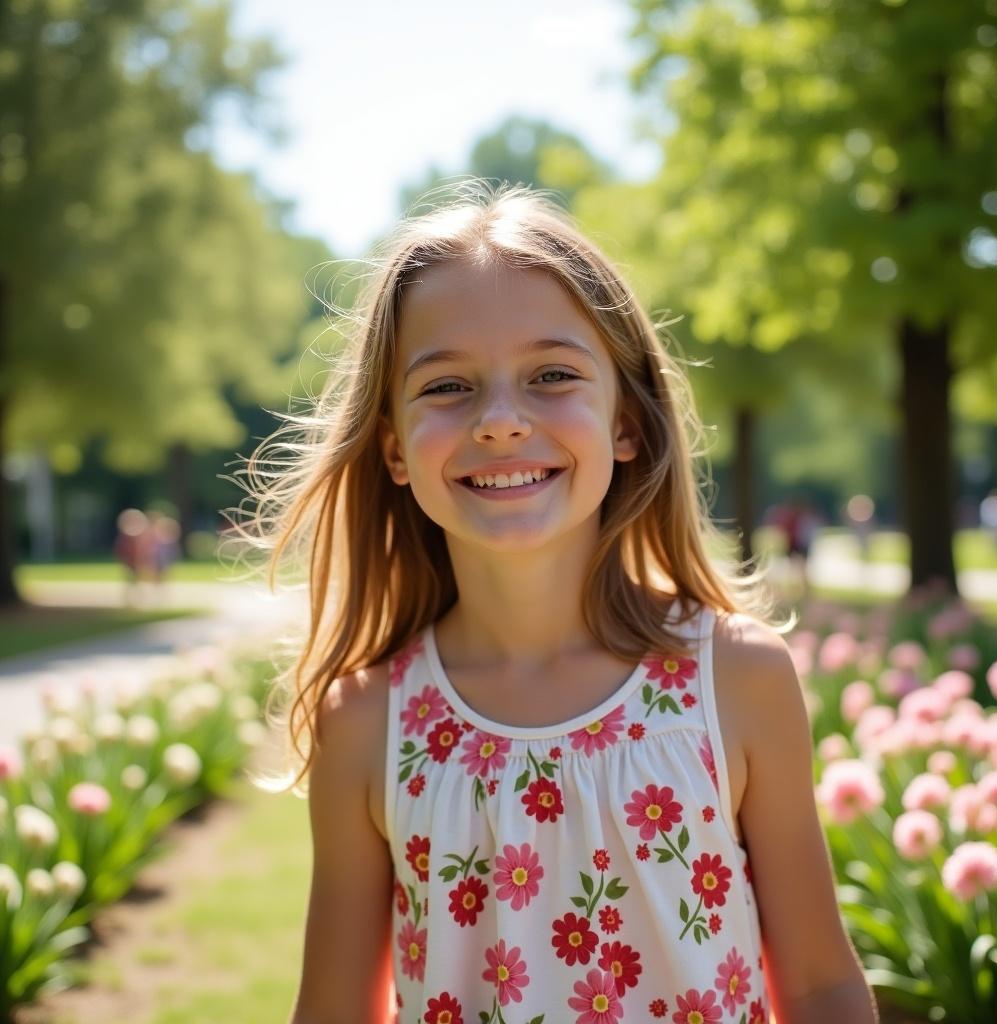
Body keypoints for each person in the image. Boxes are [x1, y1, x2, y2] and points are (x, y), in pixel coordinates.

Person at [241, 183, 876, 1023]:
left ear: (628, 425)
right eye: (447, 388)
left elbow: (824, 985)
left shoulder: (735, 679)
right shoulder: (367, 719)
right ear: (394, 448)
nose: (501, 421)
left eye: (551, 376)